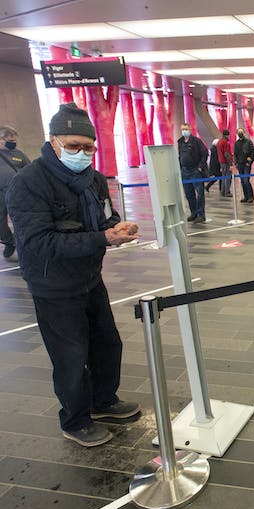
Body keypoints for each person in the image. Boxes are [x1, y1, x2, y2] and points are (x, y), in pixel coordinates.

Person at [5, 103, 141, 447]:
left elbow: (103, 218)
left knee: (107, 343)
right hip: (52, 285)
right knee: (71, 356)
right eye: (73, 146)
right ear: (54, 142)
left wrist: (116, 227)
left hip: (89, 277)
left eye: (88, 147)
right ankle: (75, 420)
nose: (82, 153)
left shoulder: (93, 179)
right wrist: (102, 238)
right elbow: (38, 243)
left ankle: (103, 401)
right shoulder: (29, 183)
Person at [0, 126, 30, 260]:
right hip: (0, 194)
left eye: (14, 140)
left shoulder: (19, 154)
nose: (13, 143)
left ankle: (24, 245)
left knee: (21, 220)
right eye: (9, 140)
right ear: (1, 140)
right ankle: (9, 241)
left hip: (18, 193)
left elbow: (30, 170)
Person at [177, 123, 209, 223]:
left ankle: (201, 214)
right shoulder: (180, 142)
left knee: (200, 193)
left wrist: (200, 167)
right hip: (185, 171)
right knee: (189, 194)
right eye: (182, 129)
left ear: (189, 129)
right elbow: (179, 155)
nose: (184, 131)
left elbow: (205, 153)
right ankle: (193, 213)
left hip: (195, 171)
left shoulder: (196, 141)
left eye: (185, 129)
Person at [234, 128, 254, 203]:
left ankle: (251, 196)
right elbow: (235, 154)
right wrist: (236, 163)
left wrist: (250, 160)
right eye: (239, 133)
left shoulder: (248, 142)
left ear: (244, 133)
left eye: (241, 132)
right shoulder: (236, 143)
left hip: (246, 164)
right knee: (242, 181)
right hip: (240, 164)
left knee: (246, 181)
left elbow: (252, 152)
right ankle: (246, 196)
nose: (240, 134)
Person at [217, 129, 232, 197]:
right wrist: (230, 164)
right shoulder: (225, 142)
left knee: (223, 177)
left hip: (221, 162)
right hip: (226, 162)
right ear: (227, 135)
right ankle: (227, 192)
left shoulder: (219, 141)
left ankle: (223, 191)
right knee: (228, 177)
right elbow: (227, 154)